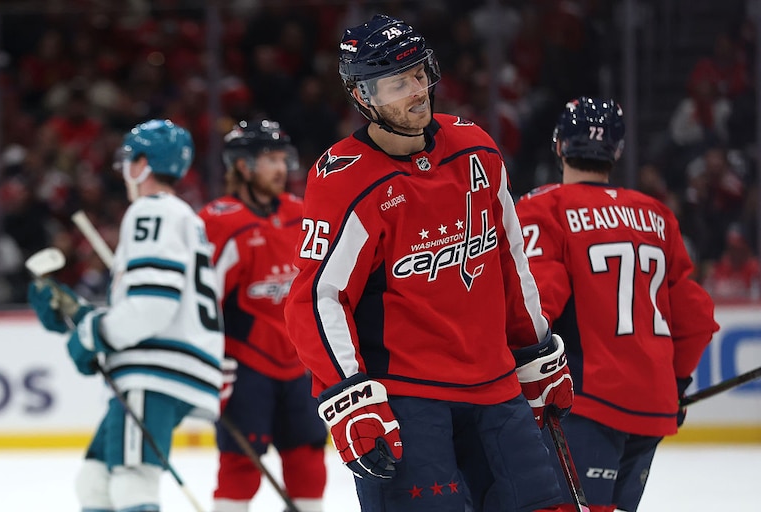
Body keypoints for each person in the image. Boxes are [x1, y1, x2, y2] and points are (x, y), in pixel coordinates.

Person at [284, 14, 574, 512]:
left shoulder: (476, 148)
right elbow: (317, 298)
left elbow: (510, 258)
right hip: (408, 400)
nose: (418, 89)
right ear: (363, 97)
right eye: (398, 82)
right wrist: (349, 395)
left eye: (420, 73)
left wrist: (534, 348)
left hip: (497, 388)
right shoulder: (346, 180)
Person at [514, 97, 720, 512]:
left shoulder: (544, 207)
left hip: (586, 403)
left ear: (558, 146)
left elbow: (536, 305)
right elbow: (696, 316)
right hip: (650, 408)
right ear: (618, 151)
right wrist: (676, 384)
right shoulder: (657, 214)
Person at [27, 119, 224, 512]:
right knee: (94, 483)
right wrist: (83, 316)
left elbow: (152, 306)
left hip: (155, 369)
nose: (124, 169)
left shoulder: (151, 212)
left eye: (130, 160)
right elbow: (150, 303)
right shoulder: (183, 217)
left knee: (132, 484)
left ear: (144, 164)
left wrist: (90, 335)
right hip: (172, 364)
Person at [199, 119, 328, 512]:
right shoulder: (218, 221)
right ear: (242, 166)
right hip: (245, 365)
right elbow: (204, 302)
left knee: (308, 455)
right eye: (269, 159)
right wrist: (212, 361)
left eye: (281, 158)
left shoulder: (299, 212)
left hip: (299, 365)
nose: (281, 168)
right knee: (240, 462)